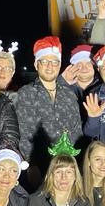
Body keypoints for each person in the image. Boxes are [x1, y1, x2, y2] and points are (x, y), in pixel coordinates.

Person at [15, 36, 83, 174]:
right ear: (36, 65)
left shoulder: (69, 95)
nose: (50, 66)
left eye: (54, 62)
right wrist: (31, 165)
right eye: (44, 61)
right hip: (40, 168)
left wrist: (77, 163)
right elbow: (24, 133)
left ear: (59, 65)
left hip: (67, 168)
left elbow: (77, 131)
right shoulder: (26, 93)